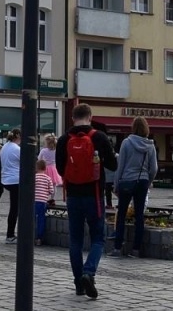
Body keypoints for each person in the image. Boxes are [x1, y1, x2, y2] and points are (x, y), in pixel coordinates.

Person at [57, 103, 118, 299]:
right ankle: (88, 272)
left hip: (73, 195)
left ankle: (78, 284)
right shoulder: (99, 137)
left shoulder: (64, 139)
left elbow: (59, 169)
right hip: (94, 195)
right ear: (90, 117)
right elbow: (113, 165)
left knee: (75, 240)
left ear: (73, 118)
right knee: (98, 238)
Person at [111, 115, 157, 258]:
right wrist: (148, 180)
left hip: (126, 181)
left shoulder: (127, 142)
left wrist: (116, 184)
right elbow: (154, 168)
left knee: (122, 214)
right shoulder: (150, 145)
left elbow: (121, 166)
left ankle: (118, 248)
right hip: (142, 181)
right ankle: (136, 249)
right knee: (139, 216)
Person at [1, 129, 22, 240]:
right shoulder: (17, 149)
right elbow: (28, 162)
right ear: (18, 136)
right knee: (16, 209)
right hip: (16, 180)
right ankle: (10, 235)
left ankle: (10, 234)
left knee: (14, 208)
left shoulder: (5, 146)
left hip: (6, 179)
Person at [33, 158, 54, 244]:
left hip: (33, 201)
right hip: (42, 201)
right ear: (45, 168)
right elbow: (51, 191)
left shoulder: (34, 177)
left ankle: (31, 236)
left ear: (36, 168)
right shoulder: (48, 178)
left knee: (32, 219)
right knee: (41, 219)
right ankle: (39, 238)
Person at [40, 134, 62, 201]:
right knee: (53, 185)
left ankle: (44, 198)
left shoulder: (43, 151)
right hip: (54, 168)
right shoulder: (56, 150)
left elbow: (39, 158)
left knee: (45, 184)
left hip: (45, 168)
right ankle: (52, 198)